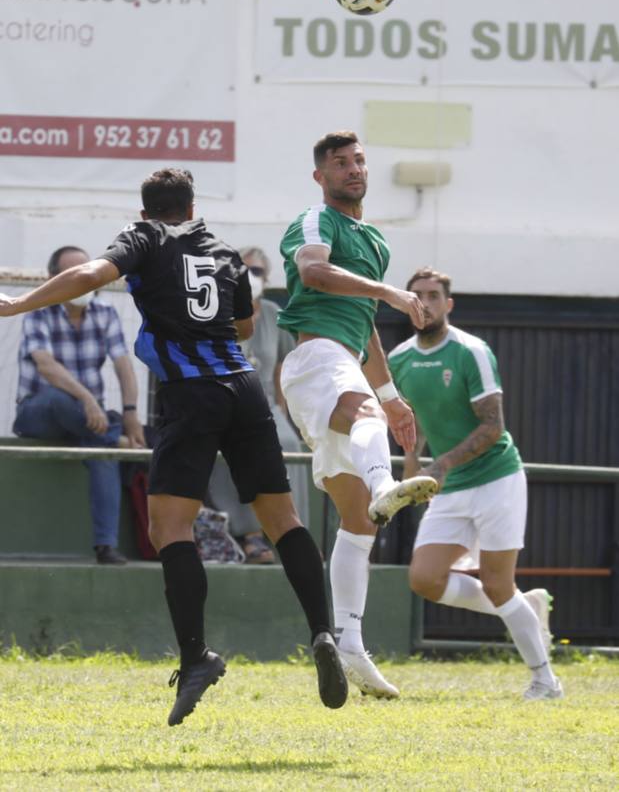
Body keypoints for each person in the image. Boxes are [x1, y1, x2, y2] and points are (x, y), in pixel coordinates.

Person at [0, 168, 347, 725]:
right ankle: (322, 631)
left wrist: (19, 306)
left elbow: (91, 272)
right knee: (282, 520)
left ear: (145, 214)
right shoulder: (226, 254)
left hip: (191, 395)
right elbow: (241, 326)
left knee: (170, 529)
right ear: (192, 208)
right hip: (245, 388)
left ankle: (195, 657)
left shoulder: (145, 239)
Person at [277, 130, 438, 699]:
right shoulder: (316, 221)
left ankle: (348, 643)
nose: (353, 169)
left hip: (343, 361)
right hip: (314, 358)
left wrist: (393, 397)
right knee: (367, 449)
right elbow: (316, 273)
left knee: (358, 523)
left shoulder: (372, 239)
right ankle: (384, 480)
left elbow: (364, 320)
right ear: (320, 176)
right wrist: (394, 293)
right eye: (340, 163)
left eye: (359, 161)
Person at [388, 266, 563, 700]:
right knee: (424, 579)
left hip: (497, 479)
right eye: (417, 296)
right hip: (448, 485)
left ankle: (546, 681)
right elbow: (413, 421)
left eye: (433, 295)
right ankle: (528, 608)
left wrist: (441, 465)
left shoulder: (471, 351)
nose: (425, 302)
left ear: (448, 304)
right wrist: (412, 464)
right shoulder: (399, 360)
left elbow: (492, 426)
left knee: (498, 583)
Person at [13, 246, 145, 565]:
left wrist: (130, 414)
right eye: (71, 273)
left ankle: (106, 546)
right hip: (39, 413)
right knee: (61, 399)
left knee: (100, 451)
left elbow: (124, 366)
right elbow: (46, 366)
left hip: (88, 422)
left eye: (85, 272)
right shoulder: (39, 312)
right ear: (53, 279)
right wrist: (87, 399)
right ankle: (113, 438)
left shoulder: (106, 314)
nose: (81, 280)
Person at [207, 246, 309, 564]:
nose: (251, 277)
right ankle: (250, 536)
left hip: (265, 402)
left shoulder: (274, 314)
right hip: (225, 399)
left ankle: (294, 534)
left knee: (290, 443)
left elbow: (283, 368)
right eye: (244, 270)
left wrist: (283, 412)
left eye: (258, 272)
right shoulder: (216, 311)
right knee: (234, 448)